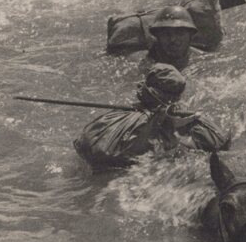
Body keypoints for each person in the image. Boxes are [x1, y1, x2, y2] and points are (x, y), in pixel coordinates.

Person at [74, 63, 230, 169]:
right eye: (167, 95)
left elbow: (219, 143)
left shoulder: (182, 118)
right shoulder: (130, 119)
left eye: (174, 96)